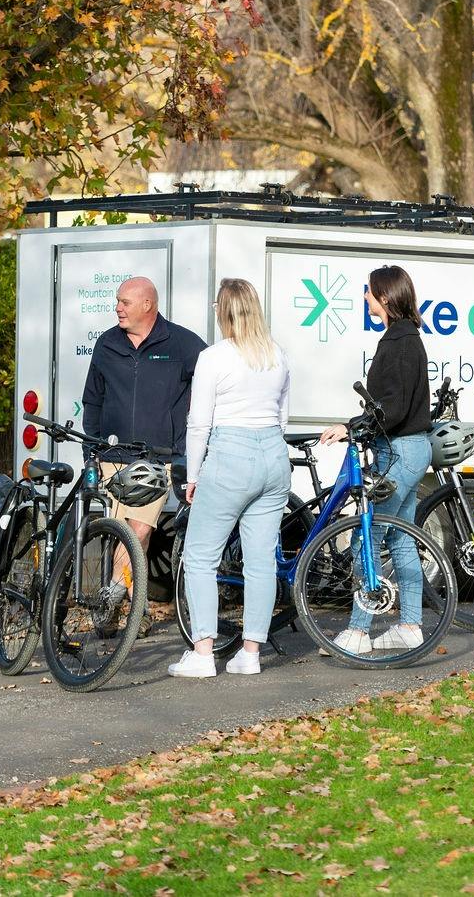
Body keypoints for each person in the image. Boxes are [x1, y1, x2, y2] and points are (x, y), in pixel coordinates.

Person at [170, 279, 292, 679]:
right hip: (273, 457)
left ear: (223, 310)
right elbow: (282, 418)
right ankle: (250, 652)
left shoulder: (214, 357)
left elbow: (199, 423)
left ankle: (203, 653)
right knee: (260, 562)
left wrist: (193, 473)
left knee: (200, 557)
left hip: (231, 455)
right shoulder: (278, 356)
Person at [321, 265, 433, 655]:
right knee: (401, 538)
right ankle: (410, 626)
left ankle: (357, 632)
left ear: (385, 297)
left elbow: (395, 407)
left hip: (399, 451)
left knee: (366, 536)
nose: (365, 298)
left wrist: (350, 426)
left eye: (369, 292)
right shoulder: (406, 338)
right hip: (409, 449)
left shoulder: (399, 343)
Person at [80, 276, 205, 581]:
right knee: (121, 531)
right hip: (111, 455)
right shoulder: (107, 343)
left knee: (138, 530)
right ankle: (135, 608)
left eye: (125, 302)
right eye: (118, 302)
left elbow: (215, 383)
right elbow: (92, 400)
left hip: (157, 459)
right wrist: (91, 451)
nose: (117, 308)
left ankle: (115, 596)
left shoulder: (182, 343)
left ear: (147, 305)